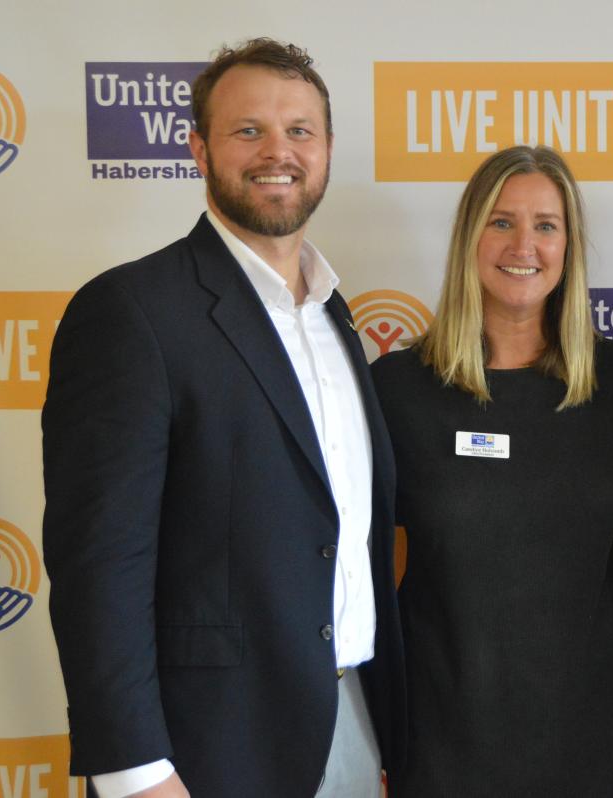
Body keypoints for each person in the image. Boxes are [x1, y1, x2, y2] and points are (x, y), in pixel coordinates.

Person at [42, 39, 403, 798]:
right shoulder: (131, 312)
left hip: (351, 720)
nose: (278, 152)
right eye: (248, 130)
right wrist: (134, 769)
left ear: (327, 150)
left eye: (300, 131)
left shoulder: (335, 316)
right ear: (199, 149)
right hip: (206, 751)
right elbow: (99, 565)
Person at [370, 146, 613, 798]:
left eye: (546, 225)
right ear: (470, 236)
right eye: (501, 222)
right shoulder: (398, 389)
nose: (524, 245)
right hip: (442, 735)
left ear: (568, 246)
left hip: (589, 731)